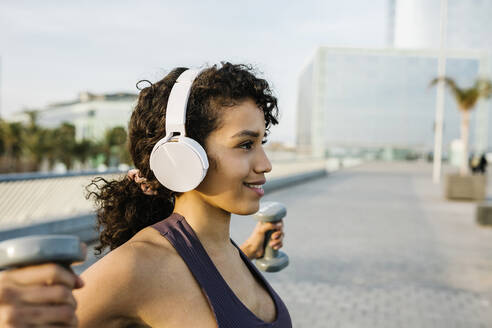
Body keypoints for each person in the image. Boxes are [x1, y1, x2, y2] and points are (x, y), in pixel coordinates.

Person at [0, 63, 291, 327]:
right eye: (245, 144)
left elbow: (204, 288)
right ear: (183, 155)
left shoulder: (226, 251)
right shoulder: (136, 267)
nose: (266, 164)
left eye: (261, 141)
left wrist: (249, 251)